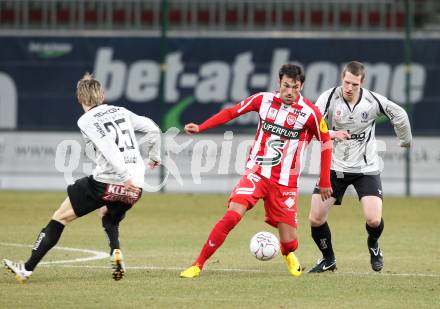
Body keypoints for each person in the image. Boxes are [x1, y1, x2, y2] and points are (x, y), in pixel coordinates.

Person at [2, 73, 161, 283]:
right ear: (102, 95)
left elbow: (108, 146)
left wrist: (123, 176)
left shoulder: (86, 120)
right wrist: (154, 156)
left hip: (109, 181)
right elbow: (152, 128)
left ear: (80, 99)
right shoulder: (120, 111)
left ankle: (27, 268)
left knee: (60, 217)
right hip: (137, 185)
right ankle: (115, 252)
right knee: (108, 214)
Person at [180, 64, 333, 278]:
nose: (290, 92)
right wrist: (201, 126)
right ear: (278, 83)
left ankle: (286, 252)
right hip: (257, 172)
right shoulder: (263, 100)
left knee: (290, 242)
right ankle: (198, 264)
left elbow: (326, 142)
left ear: (302, 86)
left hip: (285, 182)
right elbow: (231, 112)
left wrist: (325, 180)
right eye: (286, 86)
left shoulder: (310, 113)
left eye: (295, 87)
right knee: (232, 216)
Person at [308, 61, 412, 273]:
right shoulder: (329, 98)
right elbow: (311, 122)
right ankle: (328, 260)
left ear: (361, 83)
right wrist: (331, 134)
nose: (349, 88)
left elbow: (399, 114)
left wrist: (405, 140)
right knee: (315, 219)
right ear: (342, 78)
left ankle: (373, 245)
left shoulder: (372, 100)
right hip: (334, 168)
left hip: (366, 169)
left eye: (354, 84)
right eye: (346, 82)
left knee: (373, 220)